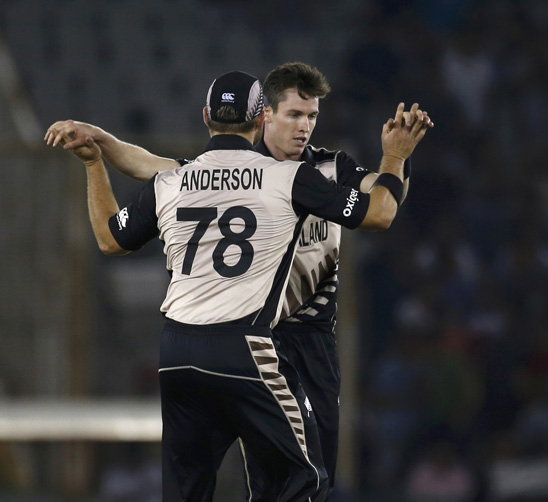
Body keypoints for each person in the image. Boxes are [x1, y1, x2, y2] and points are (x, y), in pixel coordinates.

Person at [45, 62, 432, 496]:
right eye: (294, 115)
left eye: (312, 116)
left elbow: (147, 181)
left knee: (205, 482)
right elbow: (382, 206)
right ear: (264, 116)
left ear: (207, 117)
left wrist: (96, 148)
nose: (304, 126)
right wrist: (396, 155)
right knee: (303, 478)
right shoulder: (289, 178)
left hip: (264, 340)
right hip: (257, 341)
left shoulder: (319, 167)